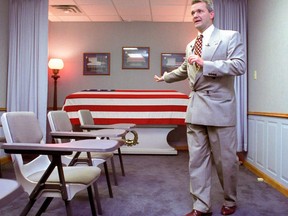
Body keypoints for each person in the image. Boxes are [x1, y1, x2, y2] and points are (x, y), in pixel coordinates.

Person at [154, 0, 246, 215]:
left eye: (200, 11)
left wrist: (207, 64)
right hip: (195, 108)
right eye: (193, 12)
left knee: (225, 162)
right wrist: (165, 78)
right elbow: (185, 69)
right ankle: (201, 206)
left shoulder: (229, 36)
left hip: (219, 108)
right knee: (196, 161)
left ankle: (230, 201)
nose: (195, 15)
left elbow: (239, 65)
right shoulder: (190, 44)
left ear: (211, 14)